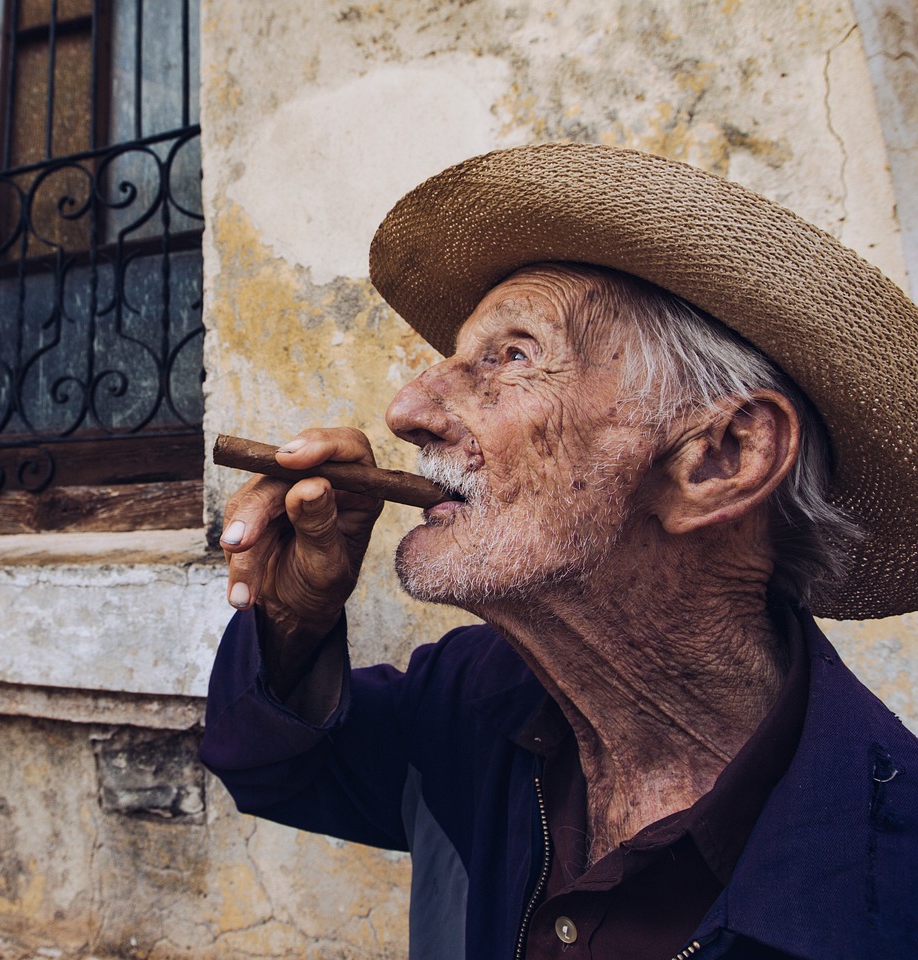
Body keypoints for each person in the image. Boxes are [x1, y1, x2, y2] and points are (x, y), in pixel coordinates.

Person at [199, 143, 918, 960]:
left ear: (723, 457)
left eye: (512, 355)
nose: (407, 410)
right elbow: (270, 765)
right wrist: (294, 614)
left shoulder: (885, 892)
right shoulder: (478, 700)